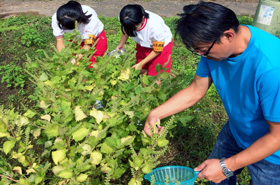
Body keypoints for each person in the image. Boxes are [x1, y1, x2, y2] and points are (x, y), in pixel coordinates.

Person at [143, 1, 280, 185]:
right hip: (236, 131)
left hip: (271, 153)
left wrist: (226, 166)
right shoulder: (214, 49)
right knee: (215, 180)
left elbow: (277, 136)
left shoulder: (271, 67)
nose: (201, 54)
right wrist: (156, 113)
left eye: (203, 50)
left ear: (228, 35)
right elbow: (196, 90)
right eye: (197, 50)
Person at [116, 4, 173, 76]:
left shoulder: (155, 28)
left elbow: (157, 50)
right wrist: (121, 43)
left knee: (156, 76)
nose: (130, 30)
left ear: (142, 18)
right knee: (142, 70)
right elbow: (126, 29)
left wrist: (141, 63)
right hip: (143, 45)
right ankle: (144, 83)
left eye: (133, 28)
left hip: (160, 48)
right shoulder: (125, 17)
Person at [51, 0, 107, 68]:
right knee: (77, 66)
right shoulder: (57, 18)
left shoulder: (91, 16)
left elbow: (89, 43)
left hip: (95, 40)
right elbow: (60, 40)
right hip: (74, 40)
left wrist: (76, 59)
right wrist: (63, 58)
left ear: (80, 20)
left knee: (94, 65)